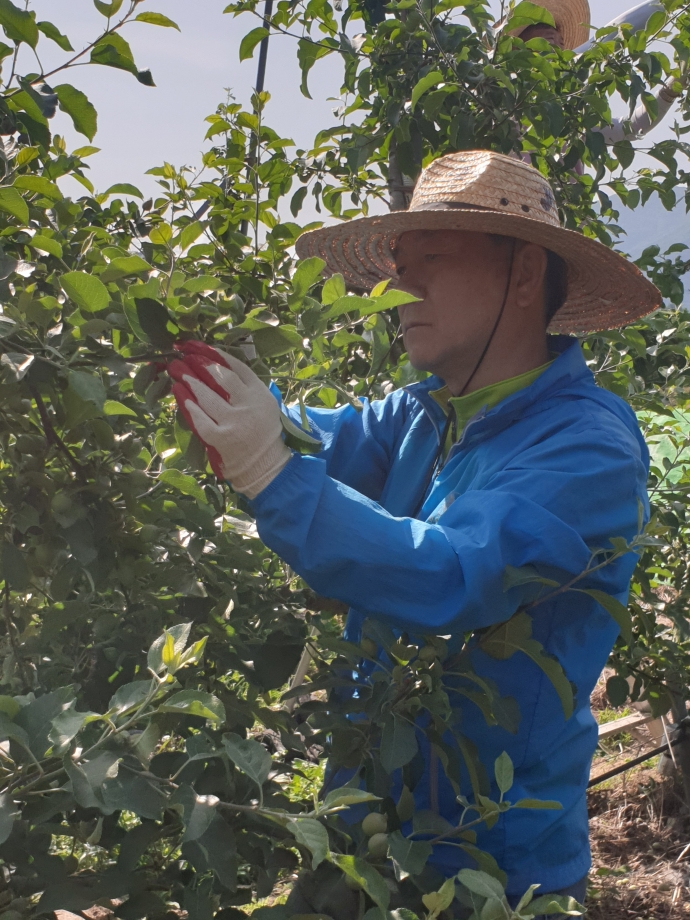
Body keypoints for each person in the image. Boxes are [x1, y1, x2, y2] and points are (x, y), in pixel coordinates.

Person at [167, 151, 659, 914]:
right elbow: (320, 442)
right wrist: (231, 399)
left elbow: (453, 574)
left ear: (524, 275)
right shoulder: (423, 410)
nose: (399, 289)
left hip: (492, 862)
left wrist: (267, 466)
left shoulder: (587, 447)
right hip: (363, 823)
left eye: (431, 259)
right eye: (396, 266)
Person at [508, 0, 684, 146]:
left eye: (560, 44)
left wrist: (671, 88)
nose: (557, 49)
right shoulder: (499, 93)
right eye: (546, 41)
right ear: (518, 50)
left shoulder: (569, 115)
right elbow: (608, 38)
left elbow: (628, 128)